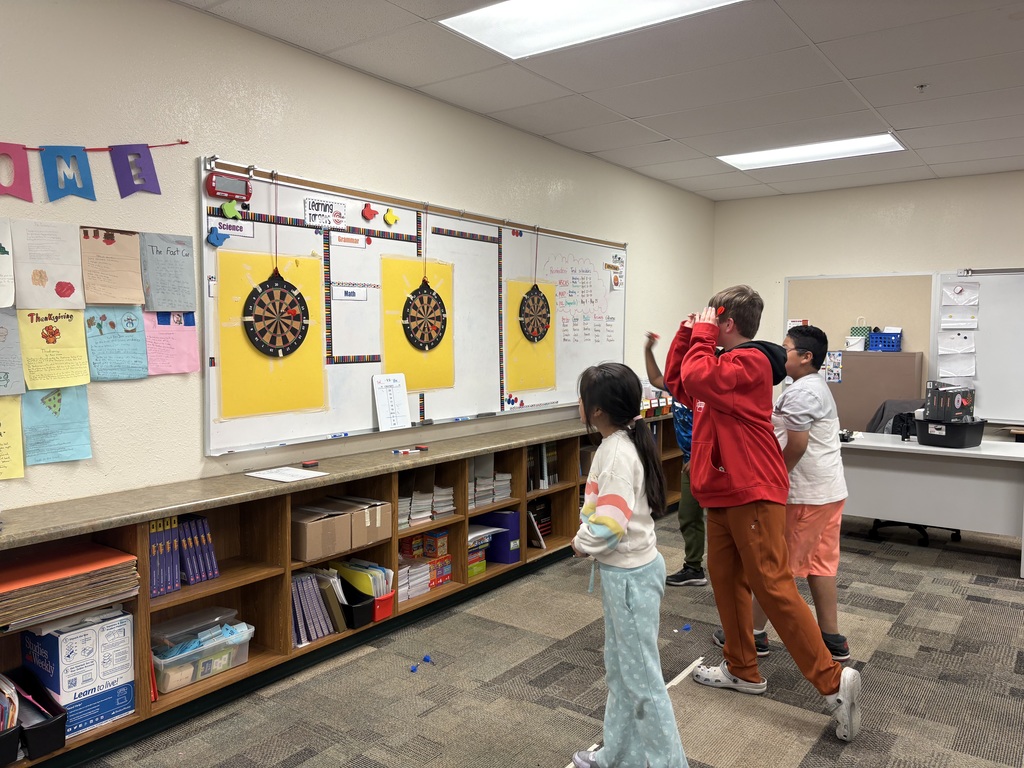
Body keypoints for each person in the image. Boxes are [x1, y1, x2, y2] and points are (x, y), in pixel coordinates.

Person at [665, 285, 862, 743]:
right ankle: (743, 668)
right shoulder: (715, 367)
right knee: (726, 579)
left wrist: (701, 335)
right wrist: (685, 333)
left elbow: (698, 378)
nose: (706, 327)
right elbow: (679, 382)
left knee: (771, 585)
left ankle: (834, 684)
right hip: (722, 493)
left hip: (751, 490)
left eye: (712, 320)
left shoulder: (750, 362)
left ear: (726, 322)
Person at [570, 362, 689, 768]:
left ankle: (668, 763)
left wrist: (581, 543)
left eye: (583, 398)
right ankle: (616, 755)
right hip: (625, 574)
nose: (579, 404)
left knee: (643, 682)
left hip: (630, 579)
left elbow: (610, 525)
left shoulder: (617, 454)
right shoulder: (618, 443)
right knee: (621, 673)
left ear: (598, 411)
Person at [720, 325, 850, 660]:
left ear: (806, 358)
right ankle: (832, 638)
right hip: (827, 491)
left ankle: (754, 634)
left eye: (786, 348)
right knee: (821, 564)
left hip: (806, 494)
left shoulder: (803, 393)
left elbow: (796, 446)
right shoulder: (807, 386)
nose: (780, 353)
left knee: (777, 567)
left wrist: (772, 479)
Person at [643, 331, 707, 586]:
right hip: (688, 461)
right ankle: (694, 568)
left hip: (710, 461)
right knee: (688, 515)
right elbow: (656, 378)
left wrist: (701, 456)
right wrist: (648, 350)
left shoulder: (704, 388)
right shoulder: (679, 385)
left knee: (721, 519)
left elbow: (719, 428)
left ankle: (735, 570)